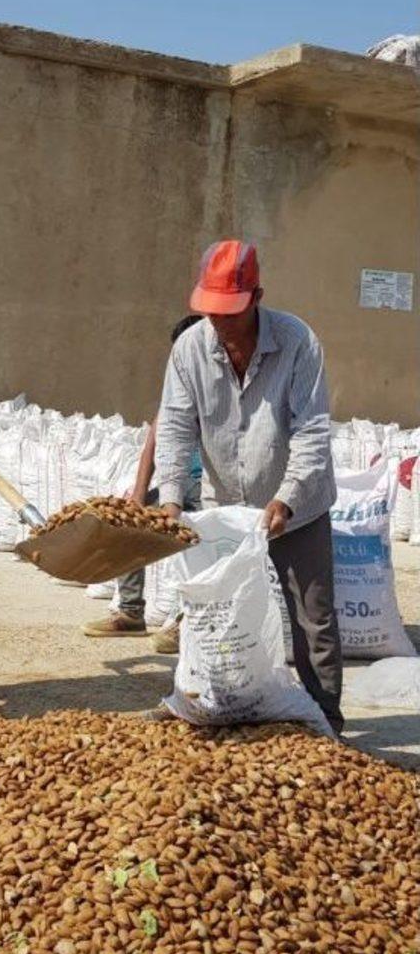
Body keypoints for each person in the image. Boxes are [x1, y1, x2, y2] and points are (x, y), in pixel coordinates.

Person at [155, 239, 344, 734]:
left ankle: (326, 721)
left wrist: (288, 498)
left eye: (230, 313)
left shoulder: (298, 342)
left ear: (257, 296)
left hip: (297, 508)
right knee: (223, 614)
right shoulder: (189, 349)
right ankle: (225, 709)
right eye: (210, 312)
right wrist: (171, 499)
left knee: (313, 620)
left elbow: (312, 431)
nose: (219, 323)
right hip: (231, 508)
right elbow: (175, 427)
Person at [83, 315, 203, 652]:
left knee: (203, 544)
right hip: (174, 485)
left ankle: (188, 622)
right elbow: (156, 433)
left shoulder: (221, 379)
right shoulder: (181, 381)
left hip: (210, 490)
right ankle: (131, 612)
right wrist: (138, 494)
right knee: (128, 525)